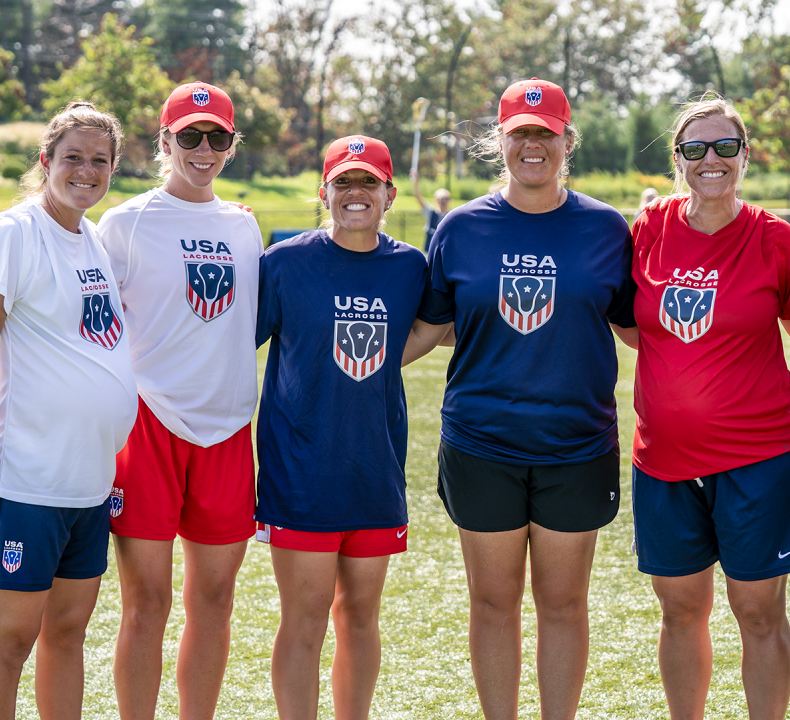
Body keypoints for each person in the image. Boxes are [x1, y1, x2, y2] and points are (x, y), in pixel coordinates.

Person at [405, 77, 636, 720]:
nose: (532, 145)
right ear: (499, 141)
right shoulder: (460, 229)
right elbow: (427, 327)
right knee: (492, 603)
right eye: (519, 134)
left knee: (564, 605)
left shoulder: (605, 229)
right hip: (482, 443)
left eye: (545, 133)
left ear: (566, 140)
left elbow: (637, 327)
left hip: (577, 445)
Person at [623, 95, 790, 720]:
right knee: (679, 611)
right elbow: (632, 325)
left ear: (745, 156)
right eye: (696, 148)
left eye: (725, 147)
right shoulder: (646, 231)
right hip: (663, 462)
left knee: (757, 613)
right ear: (678, 160)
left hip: (760, 459)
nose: (711, 159)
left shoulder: (776, 240)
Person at [0, 102, 136, 720]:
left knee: (68, 635)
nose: (86, 171)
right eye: (73, 158)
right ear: (46, 162)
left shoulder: (89, 235)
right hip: (27, 484)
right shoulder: (15, 232)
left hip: (89, 486)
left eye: (99, 161)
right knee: (8, 642)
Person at [97, 82, 263, 720]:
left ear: (230, 145)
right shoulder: (126, 223)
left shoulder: (245, 227)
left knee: (215, 603)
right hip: (149, 426)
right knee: (147, 604)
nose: (202, 148)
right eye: (188, 136)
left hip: (226, 432)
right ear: (164, 142)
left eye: (216, 136)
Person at [255, 135, 430, 720]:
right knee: (304, 617)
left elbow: (452, 324)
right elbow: (225, 342)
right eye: (343, 183)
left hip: (374, 471)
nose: (356, 193)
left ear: (389, 193)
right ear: (323, 193)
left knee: (360, 615)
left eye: (368, 183)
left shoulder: (410, 267)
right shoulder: (283, 264)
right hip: (300, 472)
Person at [410, 169, 452, 253]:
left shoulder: (452, 215)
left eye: (445, 199)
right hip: (430, 251)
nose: (443, 201)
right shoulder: (431, 213)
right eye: (440, 199)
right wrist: (416, 181)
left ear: (449, 201)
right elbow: (418, 197)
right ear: (436, 201)